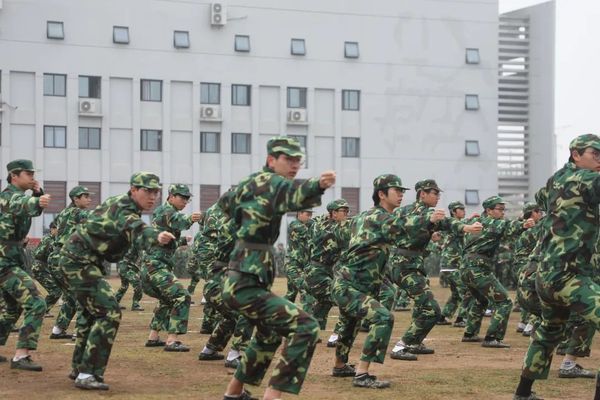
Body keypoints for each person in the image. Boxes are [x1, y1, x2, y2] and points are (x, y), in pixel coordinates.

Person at [221, 136, 335, 400]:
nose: (295, 165)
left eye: (298, 160)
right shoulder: (274, 182)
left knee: (270, 332)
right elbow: (296, 196)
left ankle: (233, 393)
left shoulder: (251, 182)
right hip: (245, 283)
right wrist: (318, 184)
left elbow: (226, 204)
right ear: (271, 160)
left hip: (242, 277)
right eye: (289, 159)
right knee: (306, 326)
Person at [59, 172, 175, 390]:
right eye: (147, 191)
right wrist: (157, 236)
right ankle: (87, 374)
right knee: (109, 312)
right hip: (79, 262)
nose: (153, 197)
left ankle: (79, 369)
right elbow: (137, 228)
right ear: (133, 190)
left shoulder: (123, 205)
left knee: (91, 313)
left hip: (81, 261)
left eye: (156, 192)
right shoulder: (124, 209)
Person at [514, 134, 600, 400]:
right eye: (595, 154)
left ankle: (523, 393)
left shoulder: (557, 179)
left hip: (546, 275)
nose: (599, 159)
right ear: (576, 154)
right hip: (568, 276)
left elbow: (542, 196)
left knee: (548, 333)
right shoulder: (585, 179)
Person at [388, 179, 482, 361]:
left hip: (412, 265)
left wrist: (465, 227)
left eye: (438, 193)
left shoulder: (426, 213)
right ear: (422, 194)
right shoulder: (407, 212)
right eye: (434, 193)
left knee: (422, 306)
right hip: (403, 266)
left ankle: (415, 342)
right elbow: (402, 225)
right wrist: (429, 220)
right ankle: (402, 346)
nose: (438, 197)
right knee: (431, 309)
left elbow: (447, 223)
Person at [461, 195, 534, 348]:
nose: (503, 212)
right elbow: (509, 226)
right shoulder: (491, 223)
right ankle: (492, 337)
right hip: (478, 268)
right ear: (488, 210)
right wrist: (524, 224)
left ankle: (470, 333)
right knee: (504, 302)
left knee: (481, 300)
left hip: (467, 268)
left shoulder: (476, 222)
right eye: (500, 209)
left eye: (503, 209)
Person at [0, 159, 51, 371]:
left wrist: (37, 194)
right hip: (4, 261)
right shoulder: (8, 196)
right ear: (14, 176)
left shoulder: (19, 195)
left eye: (33, 174)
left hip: (12, 258)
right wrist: (37, 200)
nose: (32, 177)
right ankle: (21, 356)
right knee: (36, 302)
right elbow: (22, 205)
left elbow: (32, 210)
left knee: (13, 307)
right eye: (28, 174)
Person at [142, 184, 202, 352]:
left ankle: (153, 337)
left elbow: (165, 240)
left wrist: (181, 241)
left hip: (153, 266)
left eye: (187, 199)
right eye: (182, 197)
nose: (185, 201)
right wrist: (191, 219)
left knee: (167, 300)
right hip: (156, 266)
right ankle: (172, 340)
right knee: (182, 296)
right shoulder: (166, 211)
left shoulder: (165, 212)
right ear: (171, 196)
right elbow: (178, 221)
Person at [31, 221, 62, 317]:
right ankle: (42, 310)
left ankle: (43, 310)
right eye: (57, 229)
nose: (58, 231)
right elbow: (38, 254)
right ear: (52, 229)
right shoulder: (48, 239)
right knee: (55, 290)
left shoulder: (55, 239)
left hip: (44, 268)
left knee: (56, 290)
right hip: (40, 268)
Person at [114, 245, 144, 311]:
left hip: (124, 267)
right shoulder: (134, 246)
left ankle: (114, 303)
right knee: (138, 284)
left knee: (124, 286)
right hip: (126, 268)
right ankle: (135, 305)